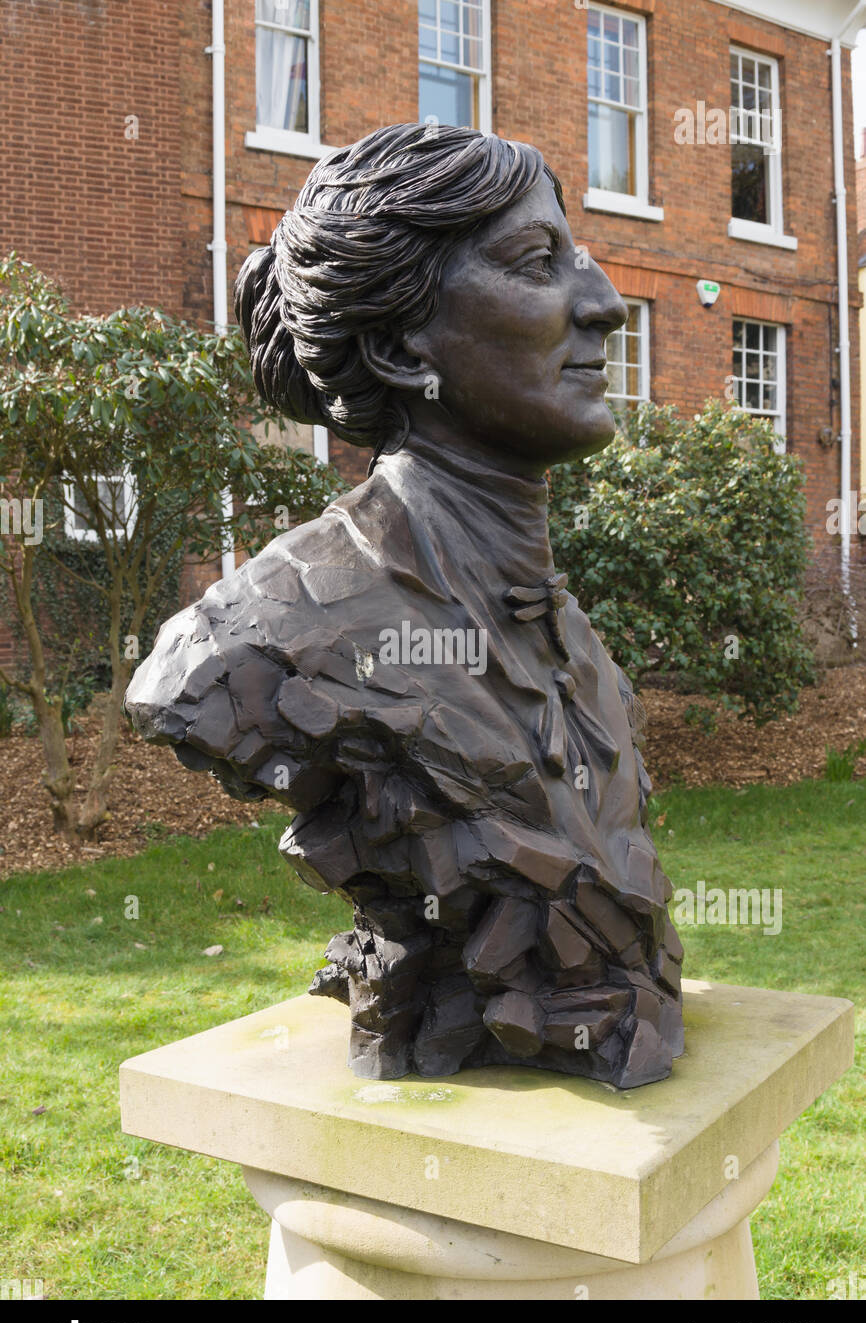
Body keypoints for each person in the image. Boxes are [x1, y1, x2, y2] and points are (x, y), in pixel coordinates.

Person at [125, 123, 684, 1086]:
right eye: (537, 262)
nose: (603, 306)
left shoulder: (572, 636)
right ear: (396, 346)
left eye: (580, 258)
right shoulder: (258, 642)